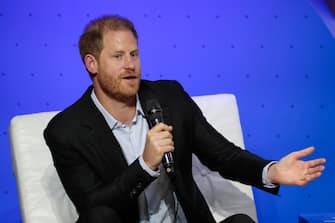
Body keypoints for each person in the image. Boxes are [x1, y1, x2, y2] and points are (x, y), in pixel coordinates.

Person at [44, 15, 326, 223]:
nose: (130, 65)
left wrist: (270, 171)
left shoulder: (169, 97)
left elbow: (222, 155)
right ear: (91, 63)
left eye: (134, 54)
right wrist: (145, 166)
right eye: (118, 56)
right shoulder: (65, 131)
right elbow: (93, 205)